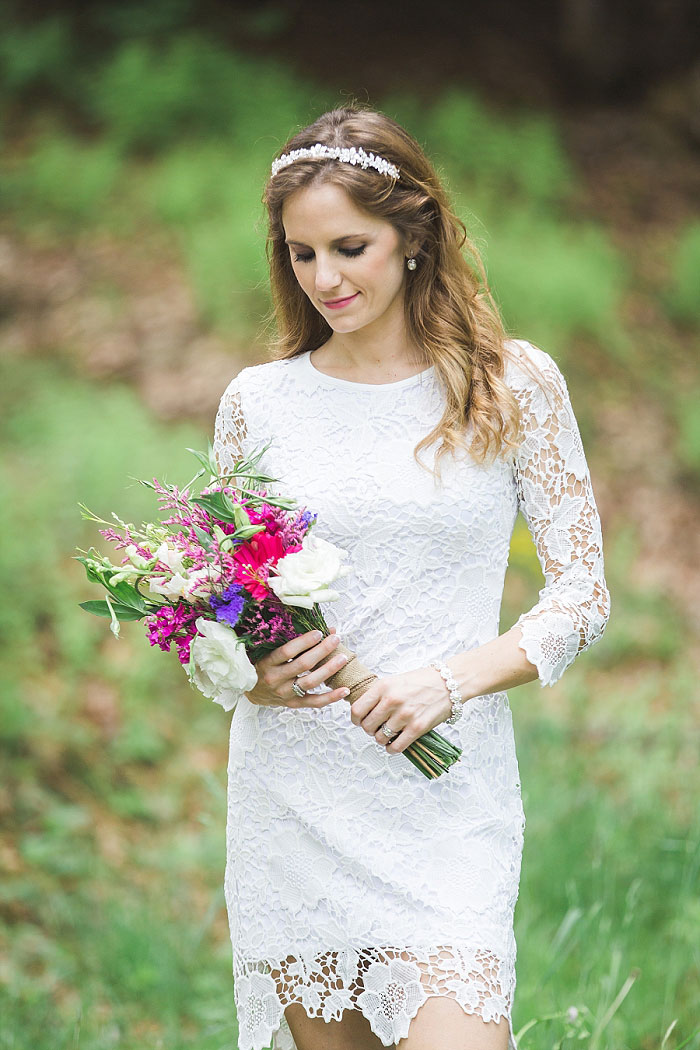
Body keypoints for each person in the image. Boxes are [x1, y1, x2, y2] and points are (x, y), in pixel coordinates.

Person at [212, 105, 610, 1050]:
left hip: (445, 802)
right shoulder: (258, 404)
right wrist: (244, 673)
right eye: (302, 254)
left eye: (350, 246)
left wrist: (450, 680)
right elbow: (226, 612)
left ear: (413, 232)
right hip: (297, 800)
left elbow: (584, 596)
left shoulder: (511, 385)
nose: (326, 278)